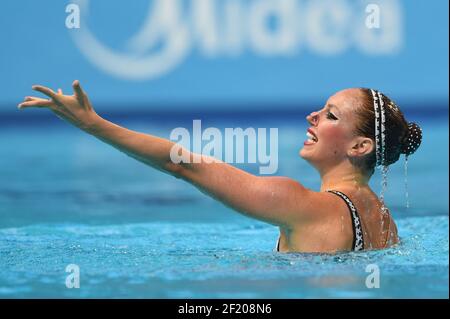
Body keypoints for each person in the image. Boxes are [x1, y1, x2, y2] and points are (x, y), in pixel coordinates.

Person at [18, 81, 422, 253]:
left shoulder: (303, 205)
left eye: (330, 115)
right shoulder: (382, 218)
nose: (312, 116)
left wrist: (93, 124)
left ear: (360, 145)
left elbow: (185, 166)